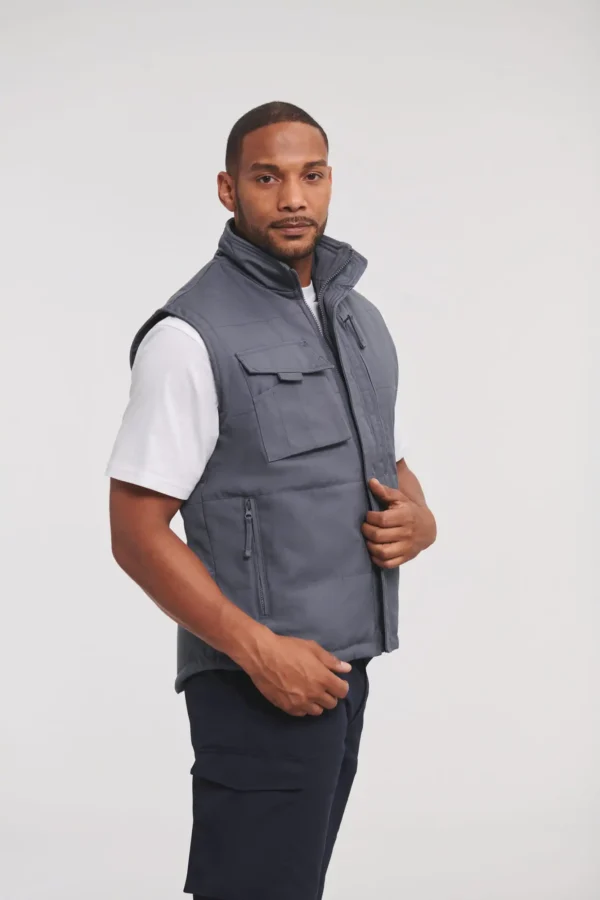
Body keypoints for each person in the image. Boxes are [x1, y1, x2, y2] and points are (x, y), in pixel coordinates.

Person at [106, 100, 437, 900]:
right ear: (229, 190)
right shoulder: (189, 336)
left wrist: (419, 517)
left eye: (310, 176)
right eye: (267, 178)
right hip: (256, 682)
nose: (293, 197)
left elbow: (384, 454)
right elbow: (135, 531)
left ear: (330, 183)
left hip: (342, 670)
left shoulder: (357, 318)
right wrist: (259, 653)